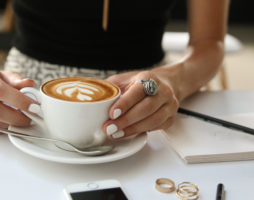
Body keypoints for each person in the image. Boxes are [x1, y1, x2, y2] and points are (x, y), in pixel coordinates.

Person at [0, 0, 228, 139]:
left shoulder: (153, 94)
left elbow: (210, 42)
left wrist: (173, 81)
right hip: (27, 89)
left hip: (147, 100)